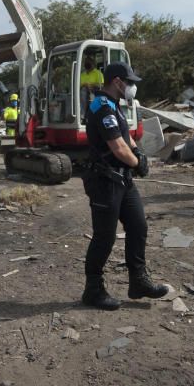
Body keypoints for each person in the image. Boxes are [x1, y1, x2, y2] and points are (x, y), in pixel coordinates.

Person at [81, 62, 169, 310]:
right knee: (104, 237)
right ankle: (93, 290)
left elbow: (126, 138)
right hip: (104, 182)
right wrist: (137, 163)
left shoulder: (114, 106)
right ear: (117, 82)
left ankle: (138, 281)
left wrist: (138, 154)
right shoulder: (101, 107)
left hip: (122, 179)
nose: (132, 87)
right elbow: (117, 147)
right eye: (129, 82)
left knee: (138, 226)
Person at [80, 57, 104, 121]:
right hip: (84, 91)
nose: (87, 64)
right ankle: (82, 116)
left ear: (93, 63)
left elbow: (101, 85)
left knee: (91, 96)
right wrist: (85, 85)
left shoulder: (98, 73)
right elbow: (78, 85)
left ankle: (90, 116)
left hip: (94, 91)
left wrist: (92, 85)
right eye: (86, 62)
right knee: (83, 91)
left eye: (89, 62)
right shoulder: (82, 74)